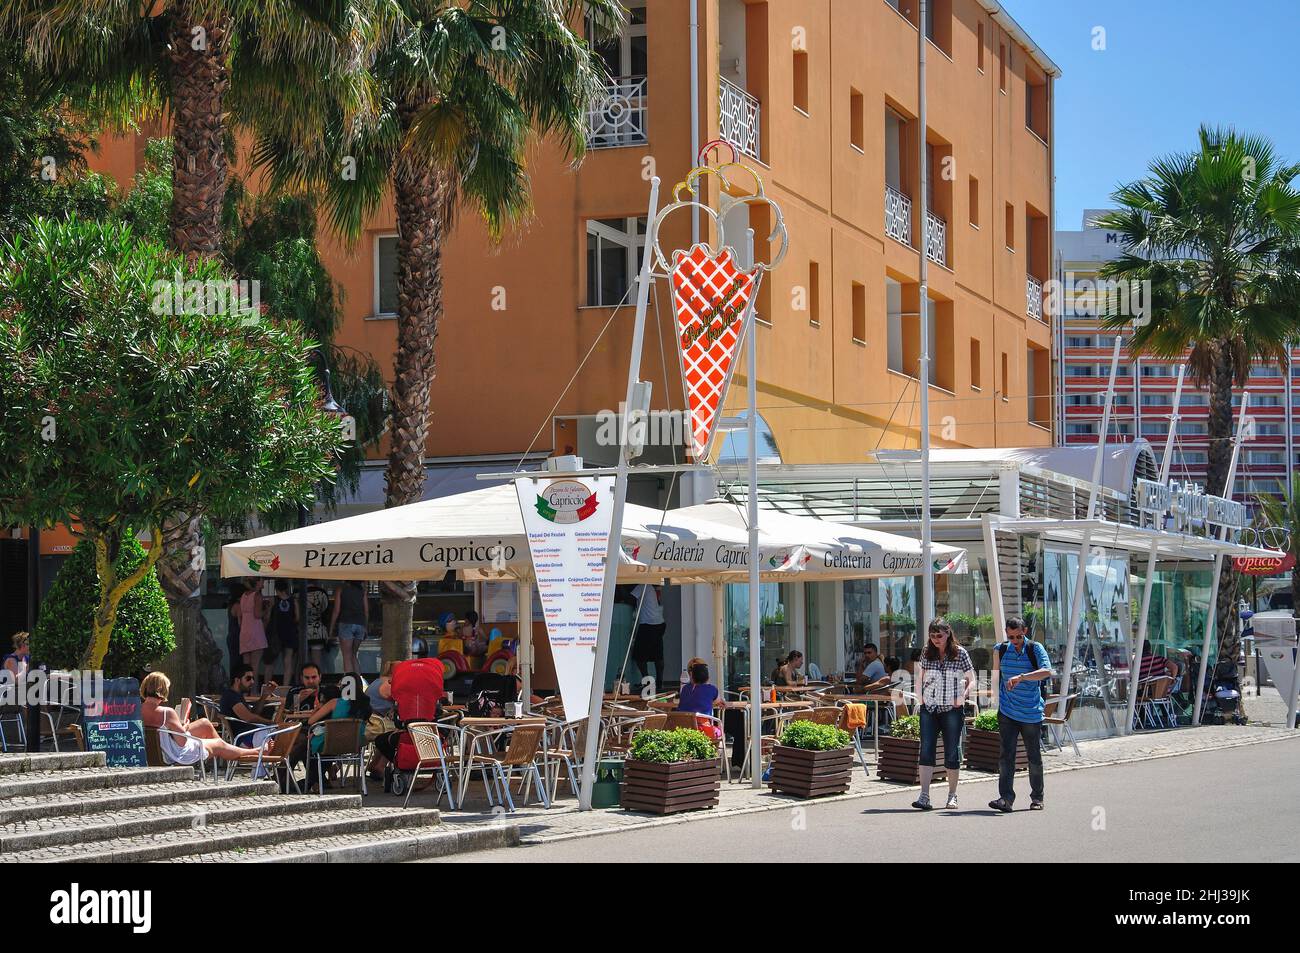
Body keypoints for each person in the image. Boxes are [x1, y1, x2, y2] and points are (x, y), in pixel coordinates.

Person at [988, 615, 1053, 813]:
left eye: (1017, 637)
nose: (1014, 641)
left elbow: (1047, 671)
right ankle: (1006, 799)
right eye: (1011, 637)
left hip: (1031, 712)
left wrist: (1023, 677)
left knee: (1033, 757)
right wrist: (994, 700)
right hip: (1007, 711)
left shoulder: (1035, 648)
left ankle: (1037, 798)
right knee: (1006, 756)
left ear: (1024, 632)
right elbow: (996, 676)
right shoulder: (1001, 649)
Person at [912, 618, 974, 811]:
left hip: (952, 709)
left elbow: (972, 679)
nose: (936, 639)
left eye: (939, 635)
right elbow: (919, 676)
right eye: (932, 636)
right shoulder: (926, 651)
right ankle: (924, 796)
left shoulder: (960, 653)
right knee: (926, 749)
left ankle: (952, 795)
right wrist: (920, 697)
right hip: (929, 708)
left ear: (948, 633)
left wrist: (963, 695)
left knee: (951, 751)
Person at [140, 672, 268, 766]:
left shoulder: (137, 711)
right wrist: (184, 724)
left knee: (205, 724)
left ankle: (226, 753)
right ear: (163, 689)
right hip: (172, 755)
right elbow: (182, 742)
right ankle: (254, 752)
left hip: (154, 753)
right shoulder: (167, 712)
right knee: (218, 744)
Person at [219, 664, 278, 744]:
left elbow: (253, 713)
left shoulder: (237, 695)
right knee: (279, 735)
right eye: (248, 678)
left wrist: (264, 696)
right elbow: (249, 718)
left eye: (252, 678)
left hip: (251, 733)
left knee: (283, 735)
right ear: (237, 680)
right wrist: (272, 723)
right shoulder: (230, 696)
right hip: (243, 738)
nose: (252, 681)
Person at [626, 583, 667, 693]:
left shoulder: (642, 586)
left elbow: (629, 598)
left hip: (648, 624)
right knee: (658, 654)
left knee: (639, 656)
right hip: (659, 623)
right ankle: (659, 683)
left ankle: (647, 682)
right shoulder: (650, 588)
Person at [330, 581, 369, 675]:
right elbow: (366, 611)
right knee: (353, 655)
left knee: (346, 656)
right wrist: (365, 627)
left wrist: (331, 629)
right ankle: (359, 682)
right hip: (360, 624)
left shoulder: (341, 589)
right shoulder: (362, 591)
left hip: (346, 622)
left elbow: (336, 610)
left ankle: (350, 683)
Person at [265, 579, 299, 685]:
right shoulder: (294, 601)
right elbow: (297, 618)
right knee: (288, 660)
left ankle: (267, 686)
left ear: (276, 589)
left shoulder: (273, 600)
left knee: (271, 662)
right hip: (290, 632)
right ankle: (285, 686)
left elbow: (268, 617)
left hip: (275, 634)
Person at [238, 579, 268, 680]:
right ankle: (253, 690)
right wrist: (267, 609)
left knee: (246, 665)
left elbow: (239, 616)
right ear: (257, 582)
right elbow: (257, 614)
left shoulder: (243, 596)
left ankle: (245, 690)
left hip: (244, 630)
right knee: (255, 664)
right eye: (262, 581)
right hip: (255, 629)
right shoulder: (257, 595)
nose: (263, 583)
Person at [305, 583, 331, 671]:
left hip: (302, 631)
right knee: (317, 663)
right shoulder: (322, 593)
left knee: (302, 660)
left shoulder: (298, 593)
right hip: (318, 630)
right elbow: (326, 612)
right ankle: (317, 679)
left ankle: (303, 681)